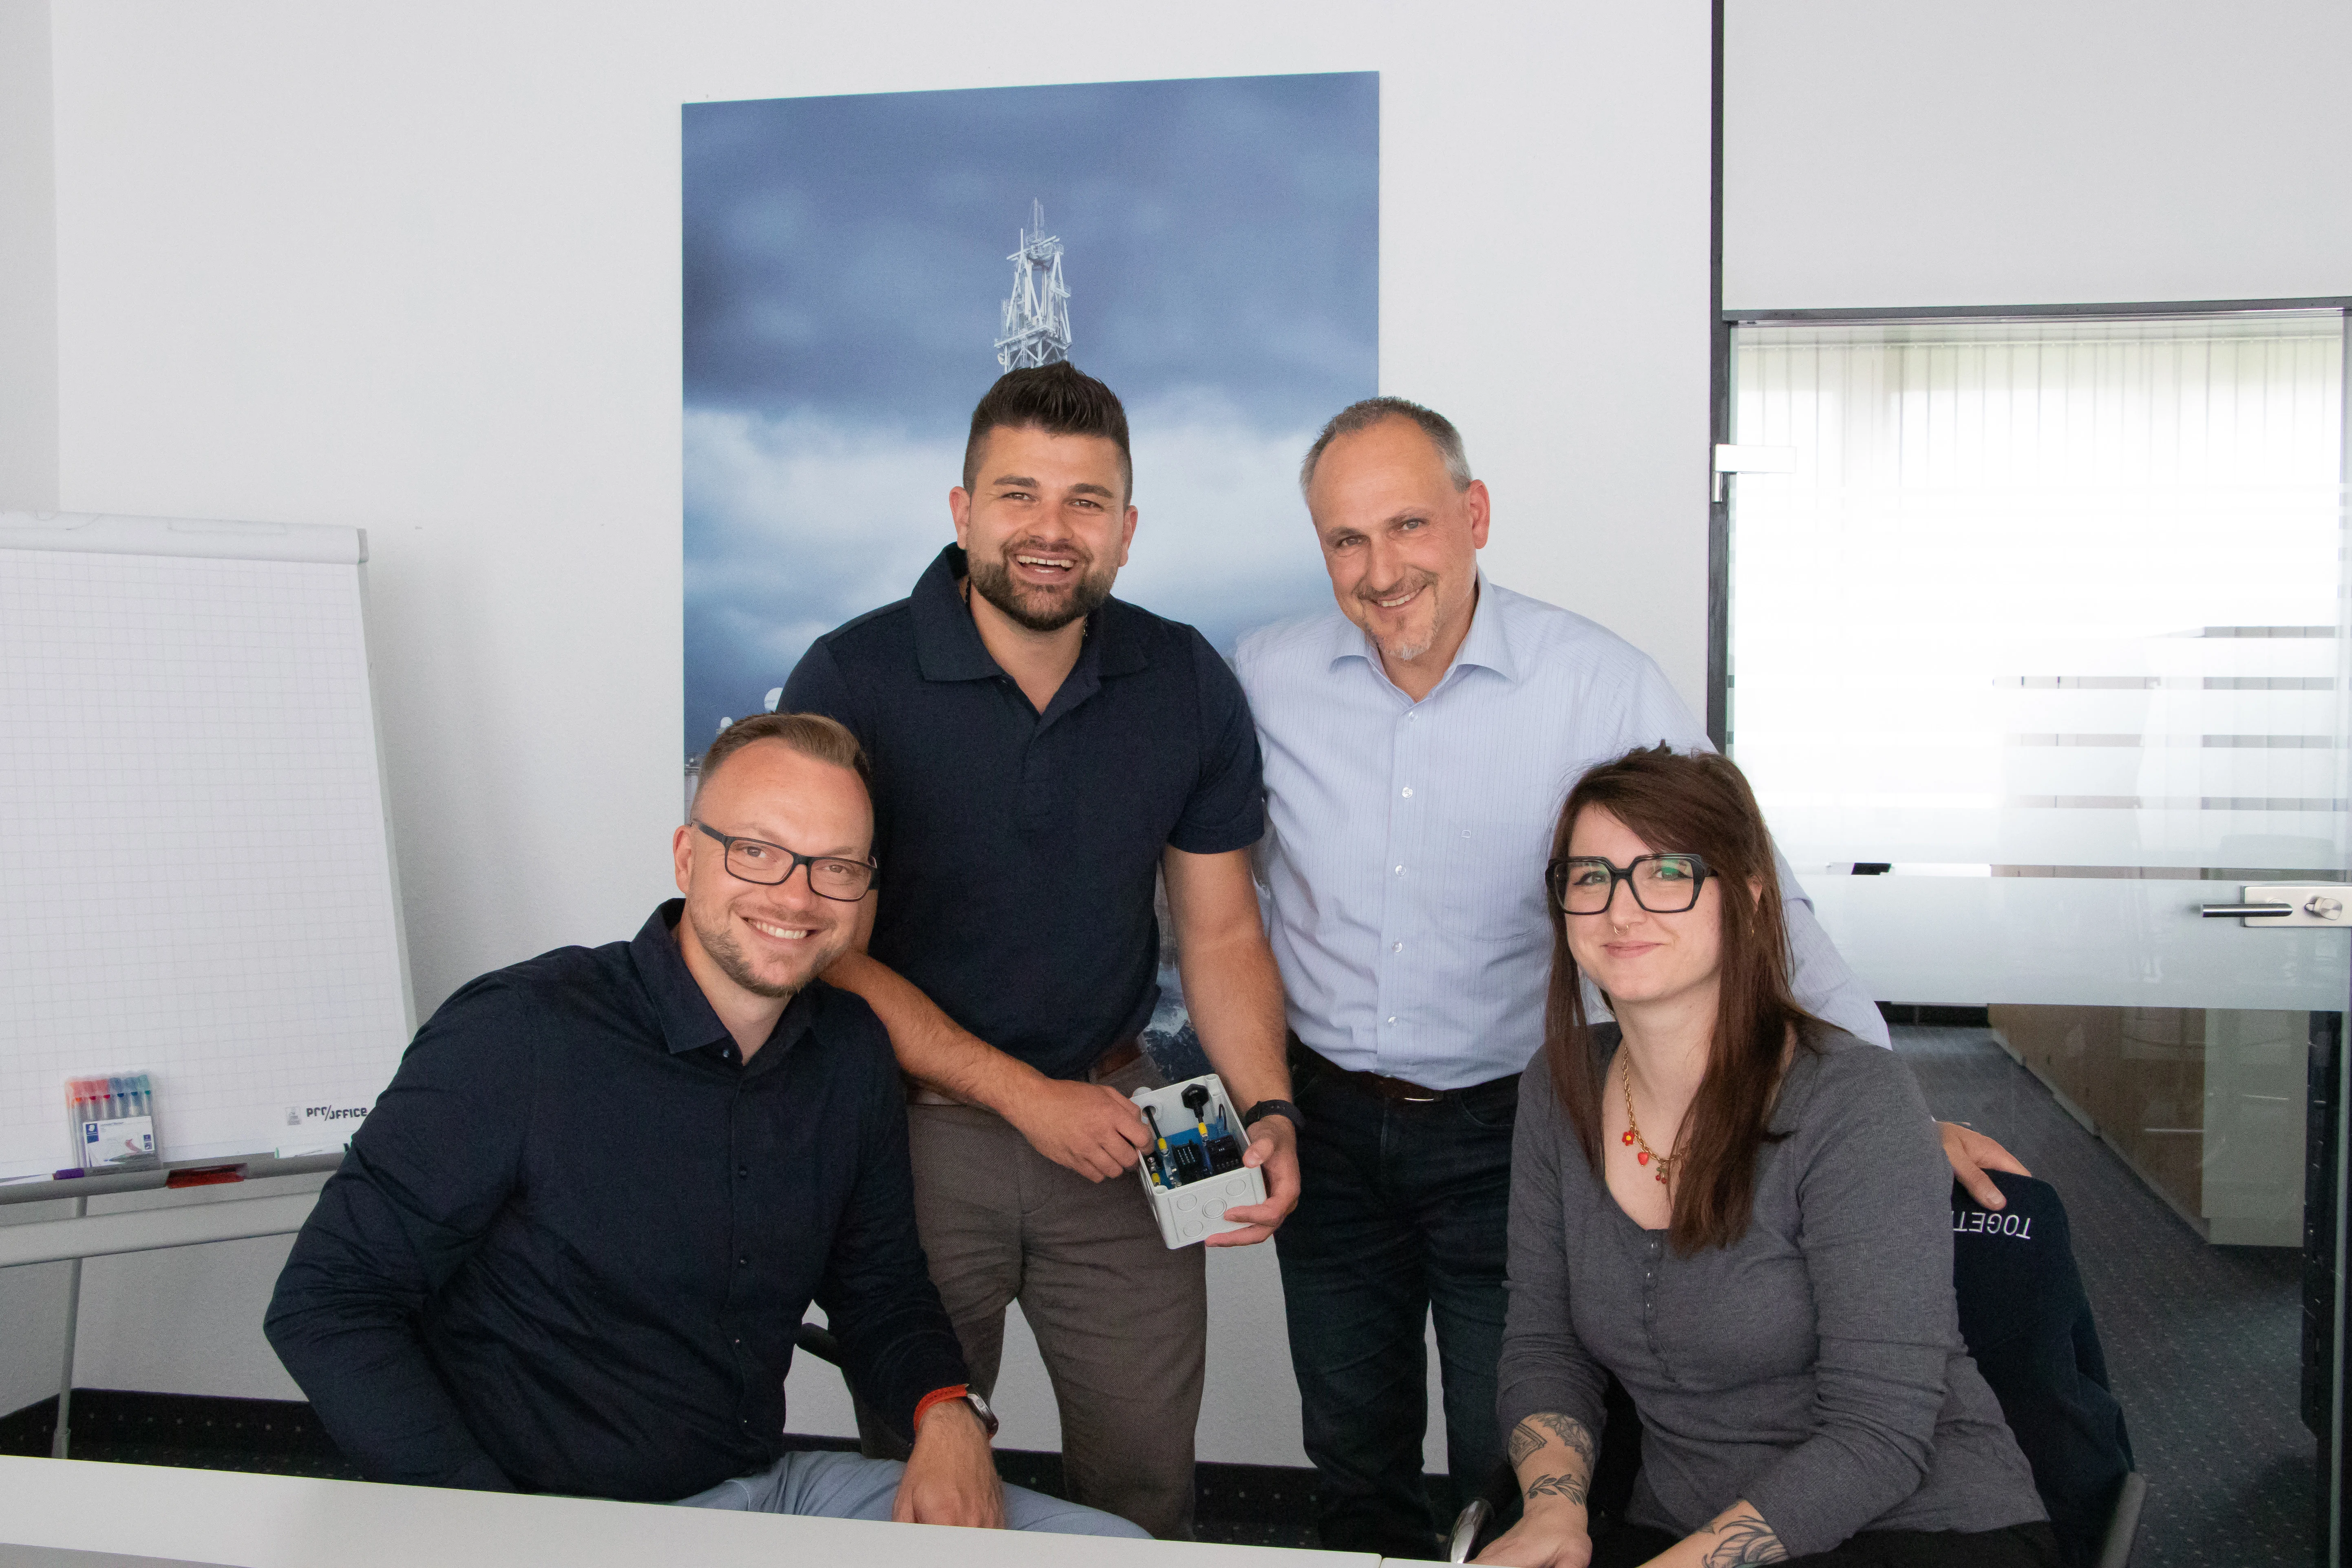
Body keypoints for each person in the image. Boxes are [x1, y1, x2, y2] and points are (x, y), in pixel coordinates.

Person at [1234, 397, 2030, 1557]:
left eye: (1408, 525)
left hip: (1515, 1122)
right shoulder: (1265, 676)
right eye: (1345, 539)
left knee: (1504, 1452)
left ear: (1475, 516)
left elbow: (1748, 884)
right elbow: (1225, 902)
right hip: (1331, 1121)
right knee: (1350, 1444)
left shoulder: (1598, 680)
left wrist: (1893, 1105)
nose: (1379, 568)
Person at [264, 713, 1143, 1538]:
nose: (797, 897)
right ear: (688, 859)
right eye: (759, 851)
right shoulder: (522, 1031)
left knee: (1125, 1552)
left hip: (766, 1494)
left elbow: (879, 1287)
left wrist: (949, 1412)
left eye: (836, 867)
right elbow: (326, 1305)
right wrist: (491, 1533)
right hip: (555, 1519)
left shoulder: (850, 1054)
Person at [777, 362, 1301, 1539]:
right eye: (1019, 495)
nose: (1051, 531)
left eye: (1085, 502)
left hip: (1132, 1113)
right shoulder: (850, 676)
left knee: (1148, 1485)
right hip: (912, 1127)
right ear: (962, 512)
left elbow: (1220, 930)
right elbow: (827, 949)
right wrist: (1024, 1097)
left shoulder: (1186, 679)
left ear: (1126, 529)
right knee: (925, 1481)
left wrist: (1268, 1106)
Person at [1480, 744, 2057, 1568]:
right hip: (1680, 1524)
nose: (1621, 911)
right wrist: (1553, 1511)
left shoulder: (1855, 1100)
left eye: (1667, 874)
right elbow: (1545, 1344)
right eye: (1590, 878)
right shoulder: (1560, 1083)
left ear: (1747, 897)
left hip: (1918, 1527)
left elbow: (1879, 1434)